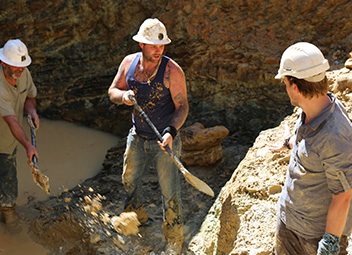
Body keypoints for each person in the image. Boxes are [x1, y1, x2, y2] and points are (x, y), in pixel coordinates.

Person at [108, 18, 189, 254]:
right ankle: (137, 217)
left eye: (161, 45)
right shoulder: (129, 64)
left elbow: (183, 106)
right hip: (137, 135)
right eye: (153, 44)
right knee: (129, 179)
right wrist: (123, 97)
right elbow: (112, 90)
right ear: (141, 44)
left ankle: (174, 239)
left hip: (165, 140)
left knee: (169, 190)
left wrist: (171, 131)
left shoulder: (172, 71)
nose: (158, 49)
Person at [274, 42, 352, 255]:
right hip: (289, 222)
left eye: (286, 84)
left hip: (313, 237)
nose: (286, 89)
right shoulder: (314, 109)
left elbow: (343, 194)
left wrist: (330, 244)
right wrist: (289, 142)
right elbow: (311, 148)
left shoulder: (335, 134)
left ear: (295, 87)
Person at [0, 39, 39, 228]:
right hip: (9, 132)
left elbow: (30, 97)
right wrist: (28, 145)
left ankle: (7, 210)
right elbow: (12, 121)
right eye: (15, 68)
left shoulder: (23, 73)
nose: (19, 71)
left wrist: (31, 111)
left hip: (7, 141)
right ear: (3, 63)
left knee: (8, 177)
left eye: (22, 68)